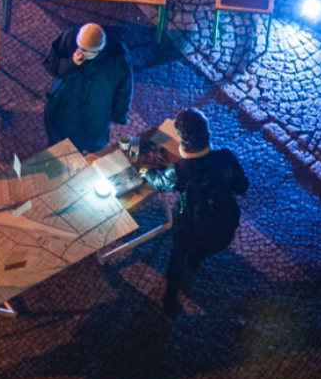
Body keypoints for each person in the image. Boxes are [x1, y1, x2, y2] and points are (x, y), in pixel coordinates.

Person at [140, 108, 249, 315]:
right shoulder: (225, 157)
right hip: (223, 230)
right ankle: (195, 261)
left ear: (183, 142)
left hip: (189, 229)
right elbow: (242, 186)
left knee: (177, 261)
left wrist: (148, 172)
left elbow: (160, 183)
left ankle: (169, 301)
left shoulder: (180, 170)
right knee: (201, 251)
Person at [42, 22, 133, 154]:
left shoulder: (117, 56)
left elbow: (124, 89)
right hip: (63, 111)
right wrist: (71, 63)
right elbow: (51, 66)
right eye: (79, 47)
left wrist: (119, 114)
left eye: (87, 52)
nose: (80, 53)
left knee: (92, 154)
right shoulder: (69, 38)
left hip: (95, 118)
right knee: (59, 150)